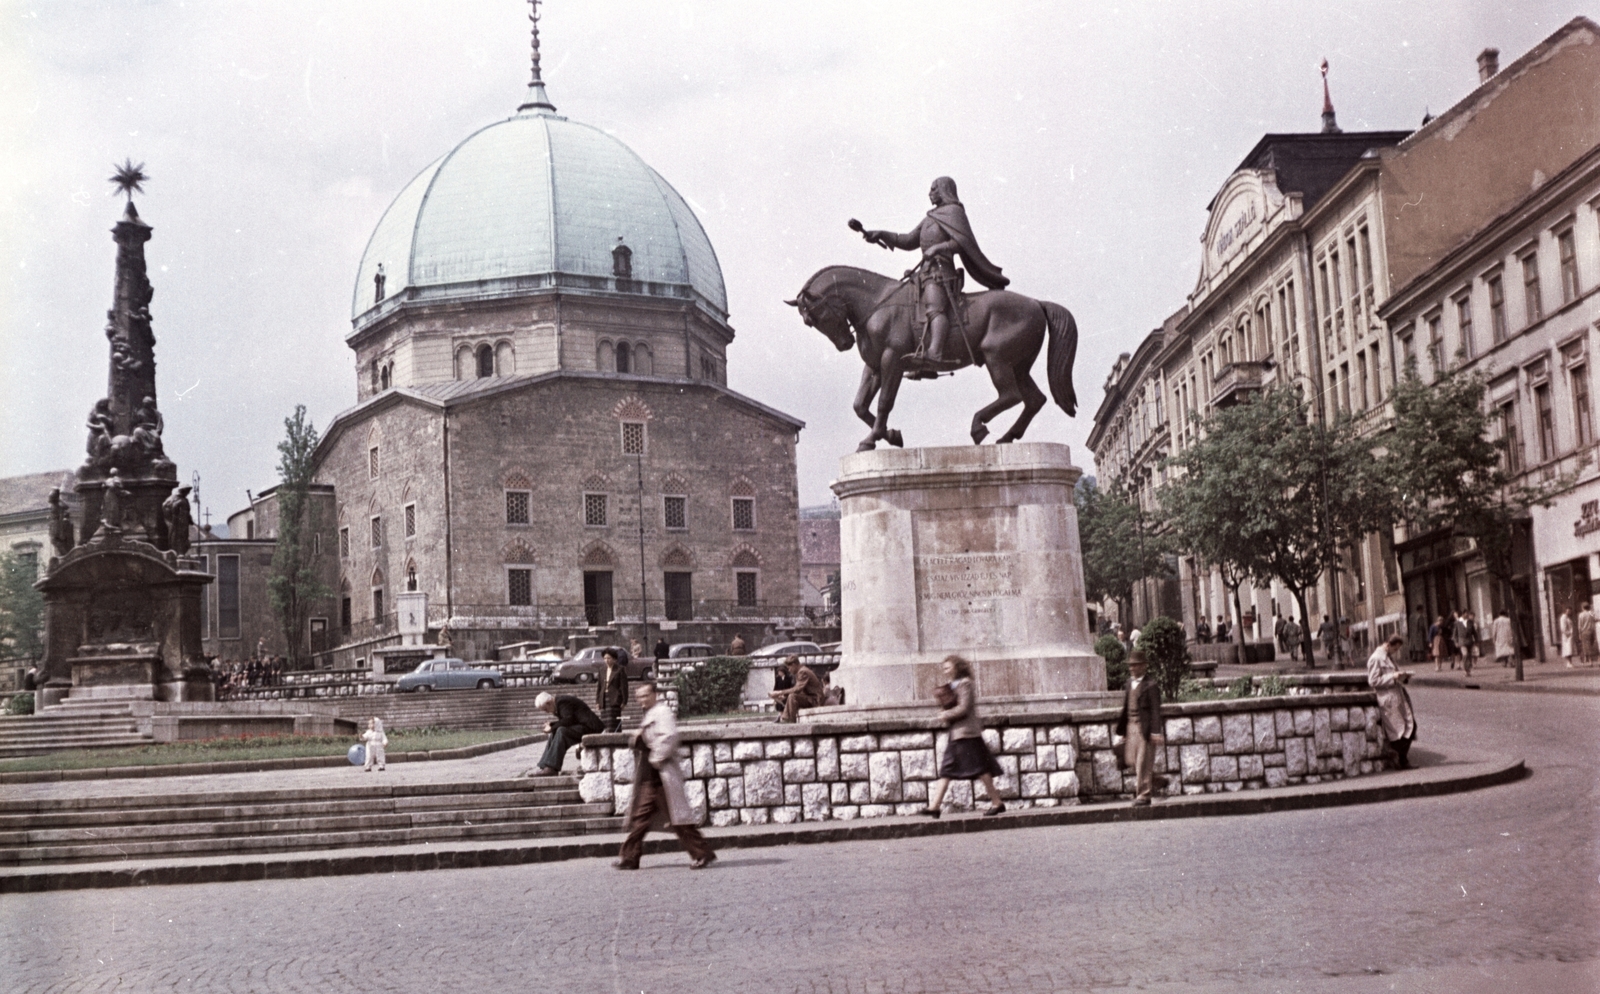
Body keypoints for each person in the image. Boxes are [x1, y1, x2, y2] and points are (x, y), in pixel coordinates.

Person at [854, 176, 1009, 378]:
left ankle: (935, 353)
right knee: (906, 310)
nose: (930, 193)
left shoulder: (954, 213)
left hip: (941, 274)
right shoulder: (930, 218)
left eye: (934, 189)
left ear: (944, 190)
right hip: (923, 274)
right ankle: (920, 355)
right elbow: (908, 240)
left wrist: (938, 248)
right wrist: (881, 234)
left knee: (935, 309)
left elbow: (961, 242)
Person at [615, 682, 716, 870]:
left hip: (661, 776)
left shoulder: (662, 712)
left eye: (645, 695)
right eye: (639, 697)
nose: (642, 700)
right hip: (650, 777)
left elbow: (669, 737)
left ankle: (701, 853)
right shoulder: (652, 713)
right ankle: (630, 857)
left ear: (655, 694)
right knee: (640, 818)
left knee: (677, 819)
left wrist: (656, 757)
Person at [922, 655, 1006, 817]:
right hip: (958, 734)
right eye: (944, 667)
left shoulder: (965, 683)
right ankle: (935, 806)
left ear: (957, 667)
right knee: (955, 769)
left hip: (966, 733)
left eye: (948, 667)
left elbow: (964, 707)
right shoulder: (952, 685)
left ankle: (997, 802)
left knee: (979, 769)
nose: (945, 670)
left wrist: (946, 714)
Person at [1115, 650, 1166, 806]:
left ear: (1143, 666)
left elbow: (1156, 710)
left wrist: (1155, 732)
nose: (1132, 668)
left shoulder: (1151, 685)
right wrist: (1122, 731)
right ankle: (1155, 780)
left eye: (1135, 665)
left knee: (1142, 761)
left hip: (1144, 728)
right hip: (1131, 727)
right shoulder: (1129, 683)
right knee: (1130, 760)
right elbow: (1125, 707)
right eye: (1130, 665)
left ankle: (1143, 795)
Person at [1367, 634, 1417, 769]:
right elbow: (1373, 681)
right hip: (1388, 699)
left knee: (1409, 727)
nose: (1396, 652)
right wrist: (1393, 677)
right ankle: (1400, 760)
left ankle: (1401, 759)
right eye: (1395, 649)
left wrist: (1403, 677)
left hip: (1397, 696)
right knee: (1398, 731)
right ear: (1388, 645)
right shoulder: (1376, 658)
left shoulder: (1388, 657)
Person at [531, 691, 604, 776]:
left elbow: (569, 720)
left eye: (546, 709)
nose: (547, 712)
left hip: (591, 728)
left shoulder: (562, 702)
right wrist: (552, 726)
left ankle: (551, 767)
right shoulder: (559, 702)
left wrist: (552, 727)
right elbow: (568, 720)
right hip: (583, 726)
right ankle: (545, 766)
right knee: (557, 730)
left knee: (561, 731)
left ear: (549, 703)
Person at [769, 655, 824, 723]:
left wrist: (779, 692)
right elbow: (800, 690)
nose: (789, 670)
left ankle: (789, 721)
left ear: (794, 664)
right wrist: (784, 697)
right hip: (811, 698)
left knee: (793, 696)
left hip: (815, 700)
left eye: (789, 668)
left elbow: (797, 689)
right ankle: (786, 719)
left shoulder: (803, 672)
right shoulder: (801, 671)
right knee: (791, 696)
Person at [597, 649, 628, 733]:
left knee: (613, 723)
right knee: (605, 723)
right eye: (605, 658)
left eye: (609, 658)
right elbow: (599, 686)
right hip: (604, 698)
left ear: (614, 659)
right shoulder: (602, 670)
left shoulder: (619, 669)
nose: (607, 660)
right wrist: (598, 701)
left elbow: (624, 686)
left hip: (614, 699)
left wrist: (624, 701)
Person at [1458, 611, 1480, 677]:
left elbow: (1474, 632)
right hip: (1462, 642)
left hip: (1470, 642)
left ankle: (1468, 671)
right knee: (1465, 654)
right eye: (1466, 614)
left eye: (1468, 615)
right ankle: (1465, 669)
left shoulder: (1470, 622)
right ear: (1462, 615)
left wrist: (1476, 641)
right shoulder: (1458, 623)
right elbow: (1455, 633)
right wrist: (1456, 641)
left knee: (1470, 656)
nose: (1467, 616)